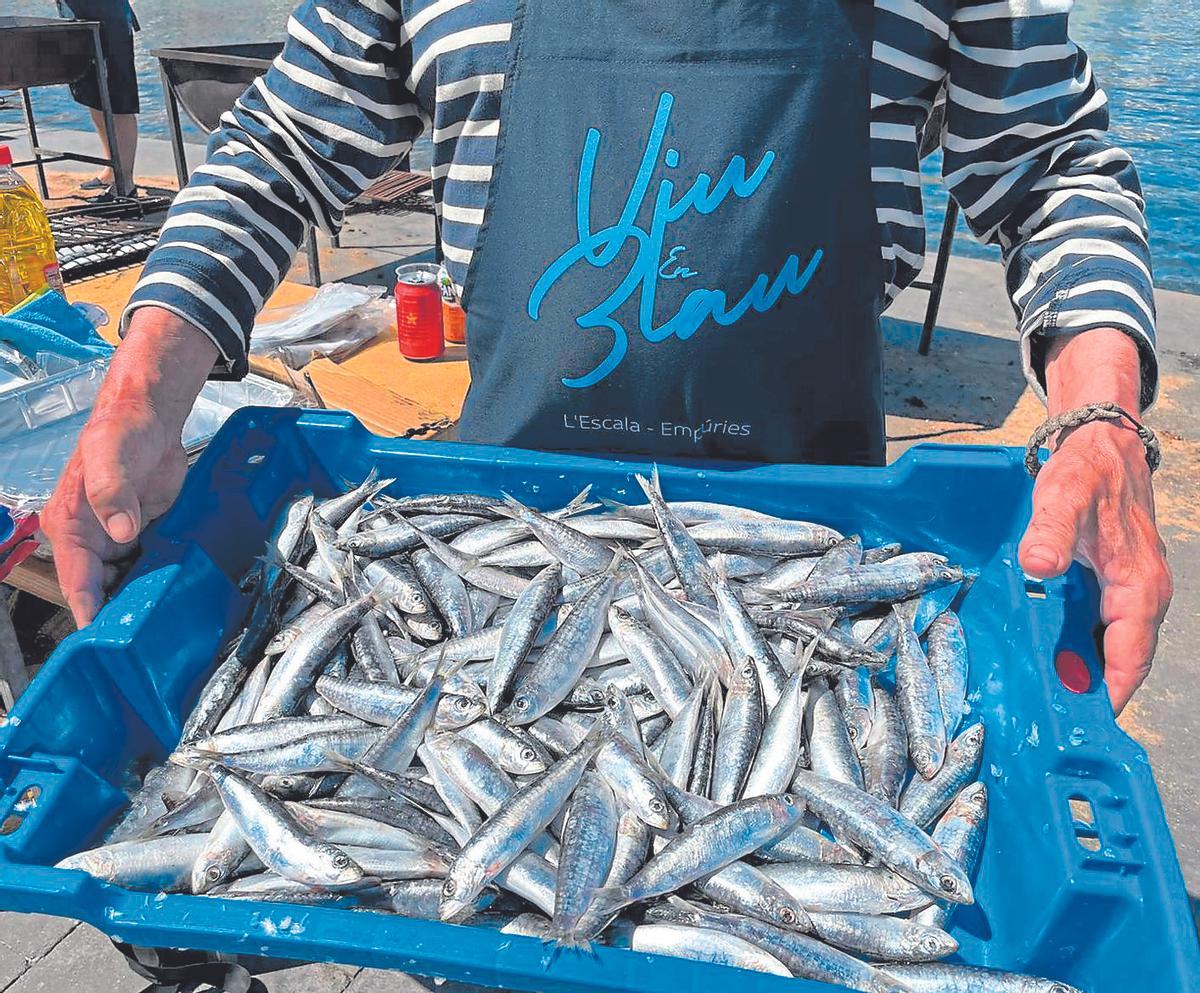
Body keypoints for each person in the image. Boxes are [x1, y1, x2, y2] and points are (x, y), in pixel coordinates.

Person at [41, 0, 1171, 714]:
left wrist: (1103, 420)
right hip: (496, 557)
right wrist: (141, 389)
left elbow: (1052, 168)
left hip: (816, 571)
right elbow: (280, 152)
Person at [56, 0, 139, 196]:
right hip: (77, 20)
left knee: (119, 102)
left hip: (111, 22)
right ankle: (111, 169)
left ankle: (125, 182)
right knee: (94, 99)